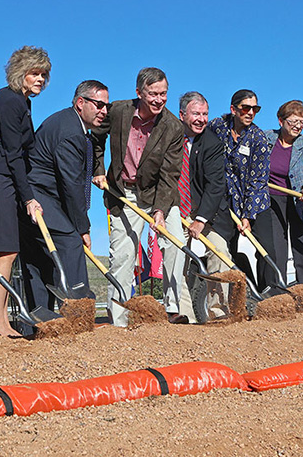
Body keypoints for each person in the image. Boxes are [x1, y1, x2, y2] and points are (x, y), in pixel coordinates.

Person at [91, 67, 185, 326]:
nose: (158, 100)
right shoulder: (119, 111)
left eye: (163, 94)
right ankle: (118, 318)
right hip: (124, 192)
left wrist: (160, 212)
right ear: (139, 93)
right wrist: (98, 169)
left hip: (159, 193)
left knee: (175, 243)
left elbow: (170, 173)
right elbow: (96, 139)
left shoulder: (173, 127)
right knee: (122, 254)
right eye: (153, 94)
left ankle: (173, 309)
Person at [20, 80, 110, 311]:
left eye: (106, 106)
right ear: (80, 102)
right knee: (70, 243)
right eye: (99, 105)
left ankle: (41, 321)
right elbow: (71, 185)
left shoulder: (68, 122)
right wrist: (83, 227)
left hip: (35, 195)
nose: (104, 111)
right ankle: (80, 312)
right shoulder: (71, 132)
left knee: (40, 260)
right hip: (39, 195)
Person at [0, 46, 50, 337]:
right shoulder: (10, 102)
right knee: (6, 250)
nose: (40, 79)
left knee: (10, 249)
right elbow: (12, 153)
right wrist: (28, 196)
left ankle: (1, 319)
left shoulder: (21, 103)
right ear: (20, 73)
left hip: (7, 178)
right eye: (35, 73)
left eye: (44, 74)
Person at [207, 90, 275, 291]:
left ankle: (270, 291)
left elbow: (258, 180)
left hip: (255, 201)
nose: (251, 112)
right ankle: (245, 291)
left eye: (256, 109)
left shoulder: (258, 139)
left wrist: (247, 215)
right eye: (246, 108)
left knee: (265, 249)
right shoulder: (217, 126)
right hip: (226, 201)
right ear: (233, 109)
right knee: (230, 248)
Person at [176, 91, 232, 323]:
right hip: (174, 211)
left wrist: (201, 219)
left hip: (205, 213)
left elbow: (216, 185)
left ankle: (218, 312)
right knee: (175, 258)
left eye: (205, 114)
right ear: (182, 115)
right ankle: (184, 315)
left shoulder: (212, 143)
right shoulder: (169, 138)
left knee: (221, 252)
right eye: (196, 113)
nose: (201, 119)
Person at [263, 100, 303, 287]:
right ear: (280, 120)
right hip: (273, 201)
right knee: (276, 248)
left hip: (302, 200)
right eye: (293, 122)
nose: (298, 126)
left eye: (302, 122)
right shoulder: (265, 139)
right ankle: (276, 291)